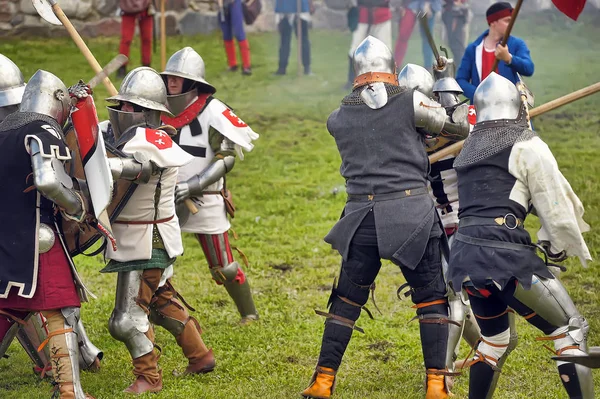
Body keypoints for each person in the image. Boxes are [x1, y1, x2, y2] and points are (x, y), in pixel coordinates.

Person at [301, 36, 470, 399]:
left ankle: (323, 381)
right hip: (411, 218)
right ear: (392, 70)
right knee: (432, 301)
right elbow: (458, 127)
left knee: (345, 301)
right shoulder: (410, 102)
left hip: (360, 219)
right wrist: (446, 78)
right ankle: (437, 387)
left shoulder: (337, 117)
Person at [448, 72, 594, 399]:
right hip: (502, 256)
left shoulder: (468, 148)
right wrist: (557, 249)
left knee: (495, 341)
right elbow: (554, 203)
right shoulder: (527, 143)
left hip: (464, 258)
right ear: (517, 108)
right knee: (570, 331)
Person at [102, 67, 215, 394]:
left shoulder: (156, 140)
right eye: (122, 105)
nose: (124, 112)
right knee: (160, 302)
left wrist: (104, 163)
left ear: (150, 112)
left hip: (147, 243)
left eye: (132, 107)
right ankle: (200, 356)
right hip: (141, 239)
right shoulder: (120, 134)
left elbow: (140, 168)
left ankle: (149, 378)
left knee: (125, 319)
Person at [0, 54, 104, 378]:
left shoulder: (5, 130)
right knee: (62, 306)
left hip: (7, 238)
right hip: (36, 239)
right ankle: (72, 391)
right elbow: (47, 180)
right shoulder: (43, 126)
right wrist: (78, 206)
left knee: (7, 310)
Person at [160, 47, 260, 324]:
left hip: (205, 197)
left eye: (178, 78)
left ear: (193, 81)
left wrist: (193, 185)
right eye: (169, 77)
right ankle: (156, 309)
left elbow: (226, 158)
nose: (171, 82)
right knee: (156, 262)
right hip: (164, 198)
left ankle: (248, 313)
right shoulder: (157, 109)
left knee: (223, 267)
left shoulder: (214, 111)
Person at [455, 1, 534, 102]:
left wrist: (509, 59)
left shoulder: (517, 44)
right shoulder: (473, 49)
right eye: (507, 21)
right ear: (493, 22)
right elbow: (461, 80)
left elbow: (529, 69)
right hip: (482, 109)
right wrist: (479, 94)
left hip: (511, 106)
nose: (511, 25)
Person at [343, 0, 392, 88]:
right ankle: (352, 80)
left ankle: (387, 81)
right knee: (355, 49)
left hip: (382, 14)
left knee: (385, 50)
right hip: (363, 15)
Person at [393, 0, 442, 70]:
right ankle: (396, 64)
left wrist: (429, 3)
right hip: (410, 4)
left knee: (427, 38)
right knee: (403, 35)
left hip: (429, 5)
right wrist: (402, 4)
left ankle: (428, 67)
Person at [274, 0, 314, 75]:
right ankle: (282, 68)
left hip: (300, 7)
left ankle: (307, 67)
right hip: (285, 7)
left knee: (303, 39)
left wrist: (310, 3)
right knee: (285, 39)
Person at [117, 0, 154, 78]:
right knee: (126, 39)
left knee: (147, 39)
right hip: (127, 7)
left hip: (146, 7)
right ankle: (122, 68)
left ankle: (147, 67)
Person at [219, 0, 252, 75]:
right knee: (226, 35)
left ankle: (247, 66)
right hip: (223, 4)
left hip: (235, 3)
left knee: (239, 33)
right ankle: (232, 65)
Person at [441, 0, 470, 65]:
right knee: (452, 43)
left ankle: (461, 69)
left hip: (458, 12)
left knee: (458, 46)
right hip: (449, 10)